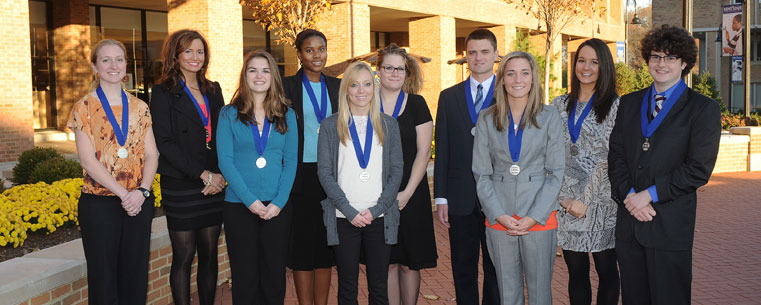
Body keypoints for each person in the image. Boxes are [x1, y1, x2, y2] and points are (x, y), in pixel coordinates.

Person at [608, 24, 722, 305]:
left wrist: (649, 195)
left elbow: (698, 168)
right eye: (656, 56)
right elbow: (616, 156)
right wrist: (631, 196)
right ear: (647, 59)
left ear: (684, 63)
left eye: (670, 58)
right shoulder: (629, 103)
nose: (662, 63)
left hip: (669, 226)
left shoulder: (703, 109)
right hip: (630, 223)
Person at [68, 38, 158, 304]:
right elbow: (88, 161)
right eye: (105, 60)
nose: (113, 65)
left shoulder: (141, 107)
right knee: (103, 278)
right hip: (100, 205)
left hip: (138, 203)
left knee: (135, 275)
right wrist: (124, 195)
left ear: (126, 65)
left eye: (119, 59)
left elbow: (152, 154)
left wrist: (142, 191)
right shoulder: (83, 108)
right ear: (95, 67)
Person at [472, 51, 565, 305]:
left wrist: (533, 217)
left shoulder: (550, 116)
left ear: (533, 78)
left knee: (539, 295)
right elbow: (481, 173)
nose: (517, 79)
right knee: (508, 294)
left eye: (524, 72)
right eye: (510, 73)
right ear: (502, 79)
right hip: (499, 217)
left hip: (539, 218)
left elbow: (556, 173)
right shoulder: (487, 118)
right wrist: (498, 214)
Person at [150, 29, 226, 305]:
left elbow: (223, 135)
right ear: (176, 54)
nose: (195, 57)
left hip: (213, 184)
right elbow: (165, 142)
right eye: (188, 51)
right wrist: (203, 175)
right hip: (182, 183)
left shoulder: (213, 89)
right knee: (184, 255)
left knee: (209, 253)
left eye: (200, 51)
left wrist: (219, 177)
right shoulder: (162, 92)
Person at [316, 61, 403, 305]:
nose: (361, 91)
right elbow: (324, 172)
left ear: (374, 89)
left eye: (367, 84)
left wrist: (377, 210)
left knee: (378, 287)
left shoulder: (389, 125)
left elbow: (396, 171)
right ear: (346, 90)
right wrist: (349, 211)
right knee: (347, 287)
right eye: (354, 85)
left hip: (380, 216)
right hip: (344, 217)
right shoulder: (330, 125)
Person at [216, 50, 298, 304]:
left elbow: (291, 161)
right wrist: (251, 201)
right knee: (245, 276)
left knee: (274, 275)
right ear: (245, 75)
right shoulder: (228, 114)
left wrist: (278, 202)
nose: (259, 75)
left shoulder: (287, 114)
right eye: (253, 70)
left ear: (273, 76)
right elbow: (225, 162)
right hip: (239, 206)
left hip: (277, 207)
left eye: (265, 70)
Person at [550, 38, 620, 305]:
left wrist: (585, 200)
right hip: (566, 202)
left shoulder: (615, 106)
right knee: (576, 272)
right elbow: (550, 154)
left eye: (594, 62)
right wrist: (565, 199)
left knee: (606, 271)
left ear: (604, 67)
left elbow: (608, 158)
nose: (586, 67)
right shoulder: (558, 104)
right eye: (581, 60)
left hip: (600, 204)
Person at [433, 28, 500, 305]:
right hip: (460, 199)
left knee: (497, 270)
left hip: (500, 198)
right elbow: (443, 149)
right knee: (463, 268)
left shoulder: (510, 93)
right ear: (465, 56)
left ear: (496, 55)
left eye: (484, 52)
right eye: (472, 52)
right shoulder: (449, 97)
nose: (478, 57)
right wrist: (441, 196)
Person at [375, 44, 437, 305]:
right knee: (386, 262)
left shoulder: (417, 104)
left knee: (410, 263)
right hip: (376, 194)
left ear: (406, 72)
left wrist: (407, 193)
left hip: (410, 194)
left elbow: (424, 152)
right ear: (378, 70)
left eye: (399, 68)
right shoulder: (365, 102)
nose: (394, 73)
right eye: (388, 67)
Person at [282, 29, 341, 305]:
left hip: (332, 174)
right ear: (299, 54)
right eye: (309, 50)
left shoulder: (338, 86)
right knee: (302, 246)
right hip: (300, 176)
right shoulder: (287, 87)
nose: (316, 55)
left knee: (326, 245)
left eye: (321, 49)